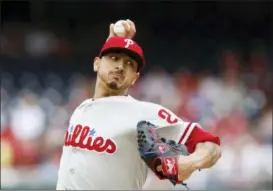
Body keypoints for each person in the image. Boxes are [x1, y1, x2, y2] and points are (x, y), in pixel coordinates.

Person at [56, 19, 221, 190]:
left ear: (135, 78)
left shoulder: (142, 113)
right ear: (96, 63)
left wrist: (191, 162)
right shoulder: (82, 108)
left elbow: (210, 144)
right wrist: (113, 40)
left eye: (129, 64)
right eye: (114, 58)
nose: (120, 66)